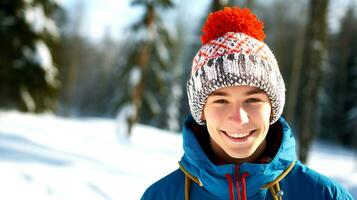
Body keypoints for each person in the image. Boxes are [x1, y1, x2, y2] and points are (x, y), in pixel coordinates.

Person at [141, 7, 353, 200]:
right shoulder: (160, 196)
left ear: (273, 107)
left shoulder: (325, 195)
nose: (239, 118)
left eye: (252, 99)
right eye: (221, 101)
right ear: (201, 110)